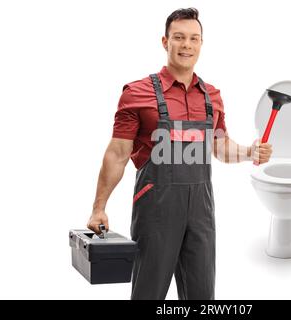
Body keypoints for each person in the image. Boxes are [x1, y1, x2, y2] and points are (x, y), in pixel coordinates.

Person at [87, 7, 272, 300]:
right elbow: (117, 154)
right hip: (156, 209)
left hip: (201, 210)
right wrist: (99, 207)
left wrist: (250, 151)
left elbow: (220, 146)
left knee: (201, 295)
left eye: (194, 38)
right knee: (149, 292)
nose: (187, 45)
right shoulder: (137, 93)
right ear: (165, 42)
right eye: (179, 37)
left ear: (201, 43)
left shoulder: (212, 96)